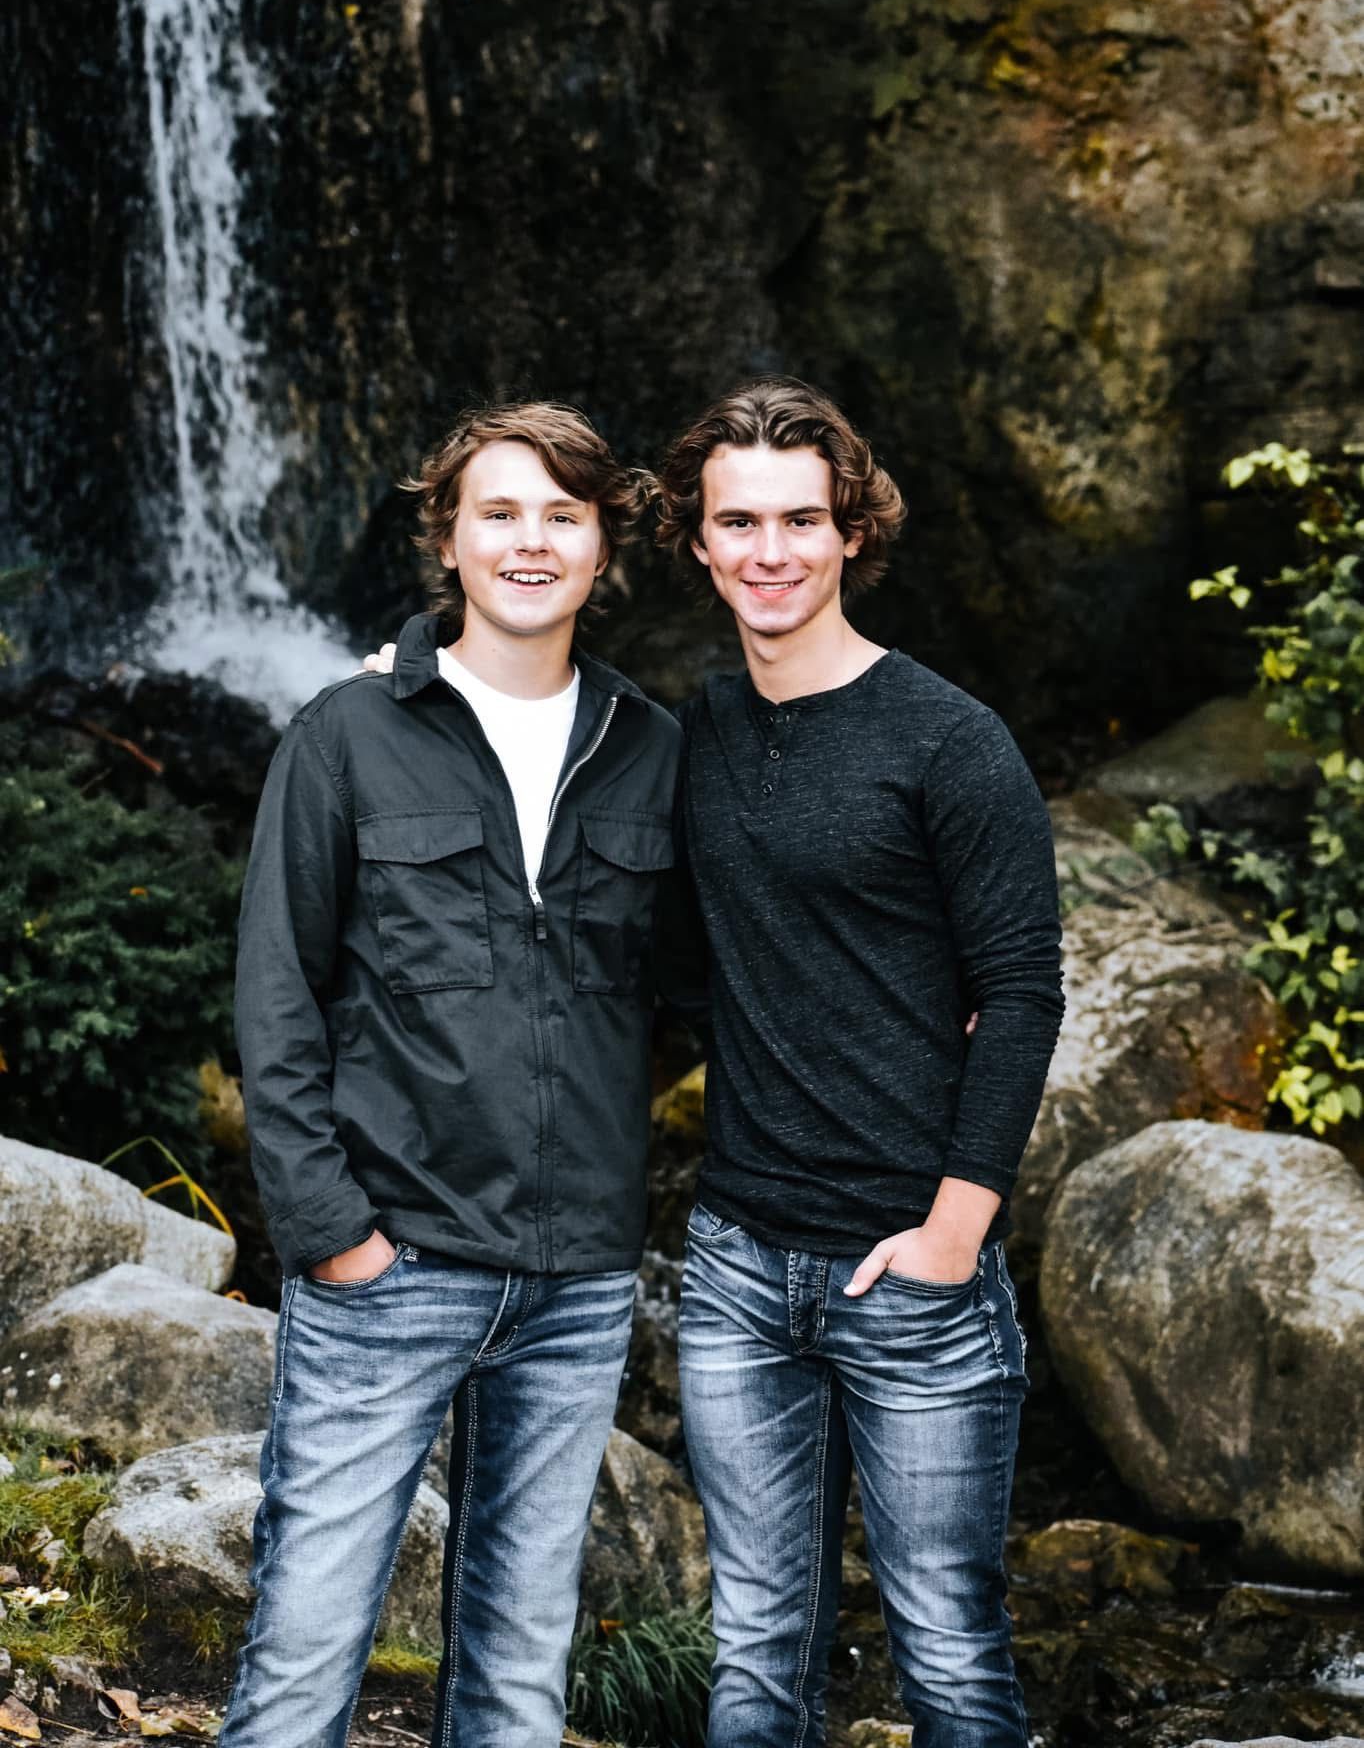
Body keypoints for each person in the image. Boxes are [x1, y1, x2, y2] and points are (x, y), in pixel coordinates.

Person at [223, 402, 687, 1748]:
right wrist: (333, 1236)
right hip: (392, 1266)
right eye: (500, 512)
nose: (530, 541)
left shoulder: (654, 752)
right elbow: (277, 991)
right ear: (448, 537)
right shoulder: (347, 734)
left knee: (520, 1675)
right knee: (306, 1656)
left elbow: (728, 971)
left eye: (562, 514)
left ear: (604, 546)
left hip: (579, 1279)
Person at [653, 377, 1064, 1748]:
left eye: (800, 520)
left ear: (850, 533)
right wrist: (405, 662)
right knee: (756, 1655)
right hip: (735, 1270)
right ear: (700, 544)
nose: (770, 550)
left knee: (947, 1653)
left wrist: (955, 1233)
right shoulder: (692, 736)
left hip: (913, 1280)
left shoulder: (951, 743)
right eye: (740, 522)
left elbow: (1020, 994)